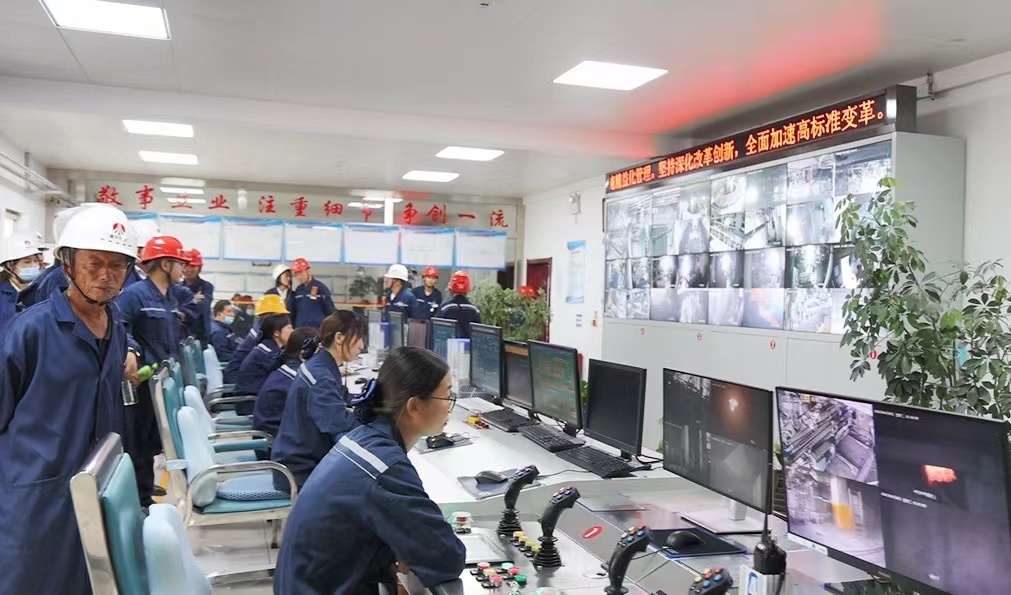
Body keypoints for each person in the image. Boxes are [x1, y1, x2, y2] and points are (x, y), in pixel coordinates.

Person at [0, 205, 137, 594]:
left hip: (94, 485)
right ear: (67, 265)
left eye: (117, 265)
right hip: (35, 491)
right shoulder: (30, 331)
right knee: (25, 580)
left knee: (86, 580)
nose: (106, 275)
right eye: (94, 264)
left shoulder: (116, 326)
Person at [273, 346, 466, 595]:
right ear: (414, 406)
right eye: (447, 396)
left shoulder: (363, 438)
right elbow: (446, 558)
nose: (450, 406)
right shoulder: (385, 468)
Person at [116, 235, 189, 508]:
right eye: (180, 263)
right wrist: (131, 351)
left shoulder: (169, 298)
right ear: (165, 265)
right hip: (141, 384)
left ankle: (145, 495)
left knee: (150, 444)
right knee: (138, 444)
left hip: (161, 383)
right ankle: (141, 502)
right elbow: (118, 326)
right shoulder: (134, 295)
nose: (184, 269)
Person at [272, 310, 367, 491]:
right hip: (300, 471)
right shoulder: (321, 376)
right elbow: (339, 425)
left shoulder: (321, 364)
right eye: (359, 338)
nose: (362, 345)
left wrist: (369, 401)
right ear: (339, 338)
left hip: (300, 459)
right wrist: (379, 423)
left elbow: (341, 398)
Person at [252, 326, 320, 450]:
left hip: (276, 438)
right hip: (275, 446)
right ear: (303, 355)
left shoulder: (289, 369)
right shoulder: (296, 378)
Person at [234, 311, 293, 414]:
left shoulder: (269, 348)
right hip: (251, 405)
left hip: (257, 400)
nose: (293, 331)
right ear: (276, 333)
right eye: (289, 328)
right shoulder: (269, 354)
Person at [223, 294, 289, 385]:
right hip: (239, 381)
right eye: (280, 316)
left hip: (244, 377)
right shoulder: (261, 336)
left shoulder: (259, 330)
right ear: (269, 316)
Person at [0, 232, 46, 331]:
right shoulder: (2, 294)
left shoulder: (44, 290)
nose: (34, 266)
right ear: (10, 265)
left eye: (36, 261)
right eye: (27, 262)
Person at [290, 257, 336, 329]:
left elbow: (330, 310)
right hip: (300, 330)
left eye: (300, 273)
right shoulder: (298, 290)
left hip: (316, 329)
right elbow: (294, 312)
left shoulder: (320, 288)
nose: (298, 277)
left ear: (308, 271)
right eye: (296, 274)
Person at [182, 248, 214, 345]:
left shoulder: (206, 287)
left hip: (201, 336)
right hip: (181, 334)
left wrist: (185, 306)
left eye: (192, 266)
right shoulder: (176, 287)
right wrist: (193, 300)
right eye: (186, 265)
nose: (189, 269)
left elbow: (202, 308)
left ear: (199, 267)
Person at [435, 271, 481, 338]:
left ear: (451, 288)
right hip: (469, 344)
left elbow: (436, 331)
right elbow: (478, 334)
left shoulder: (444, 308)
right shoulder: (474, 310)